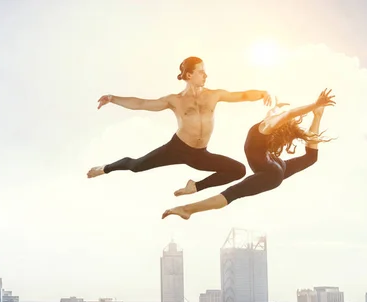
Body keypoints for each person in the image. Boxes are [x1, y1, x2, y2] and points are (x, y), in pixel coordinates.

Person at [87, 56, 273, 197]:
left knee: (238, 170)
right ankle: (104, 168)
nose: (205, 75)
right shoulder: (175, 100)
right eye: (201, 72)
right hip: (176, 149)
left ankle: (195, 187)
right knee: (136, 166)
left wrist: (262, 93)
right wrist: (112, 98)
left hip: (200, 154)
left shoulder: (214, 95)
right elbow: (141, 104)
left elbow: (241, 96)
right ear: (189, 75)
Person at [162, 88, 336, 220]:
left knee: (232, 193)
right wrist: (280, 106)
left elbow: (289, 113)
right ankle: (318, 117)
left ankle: (188, 210)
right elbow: (276, 111)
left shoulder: (268, 126)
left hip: (271, 174)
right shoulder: (269, 121)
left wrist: (315, 104)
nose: (280, 115)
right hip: (275, 166)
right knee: (311, 157)